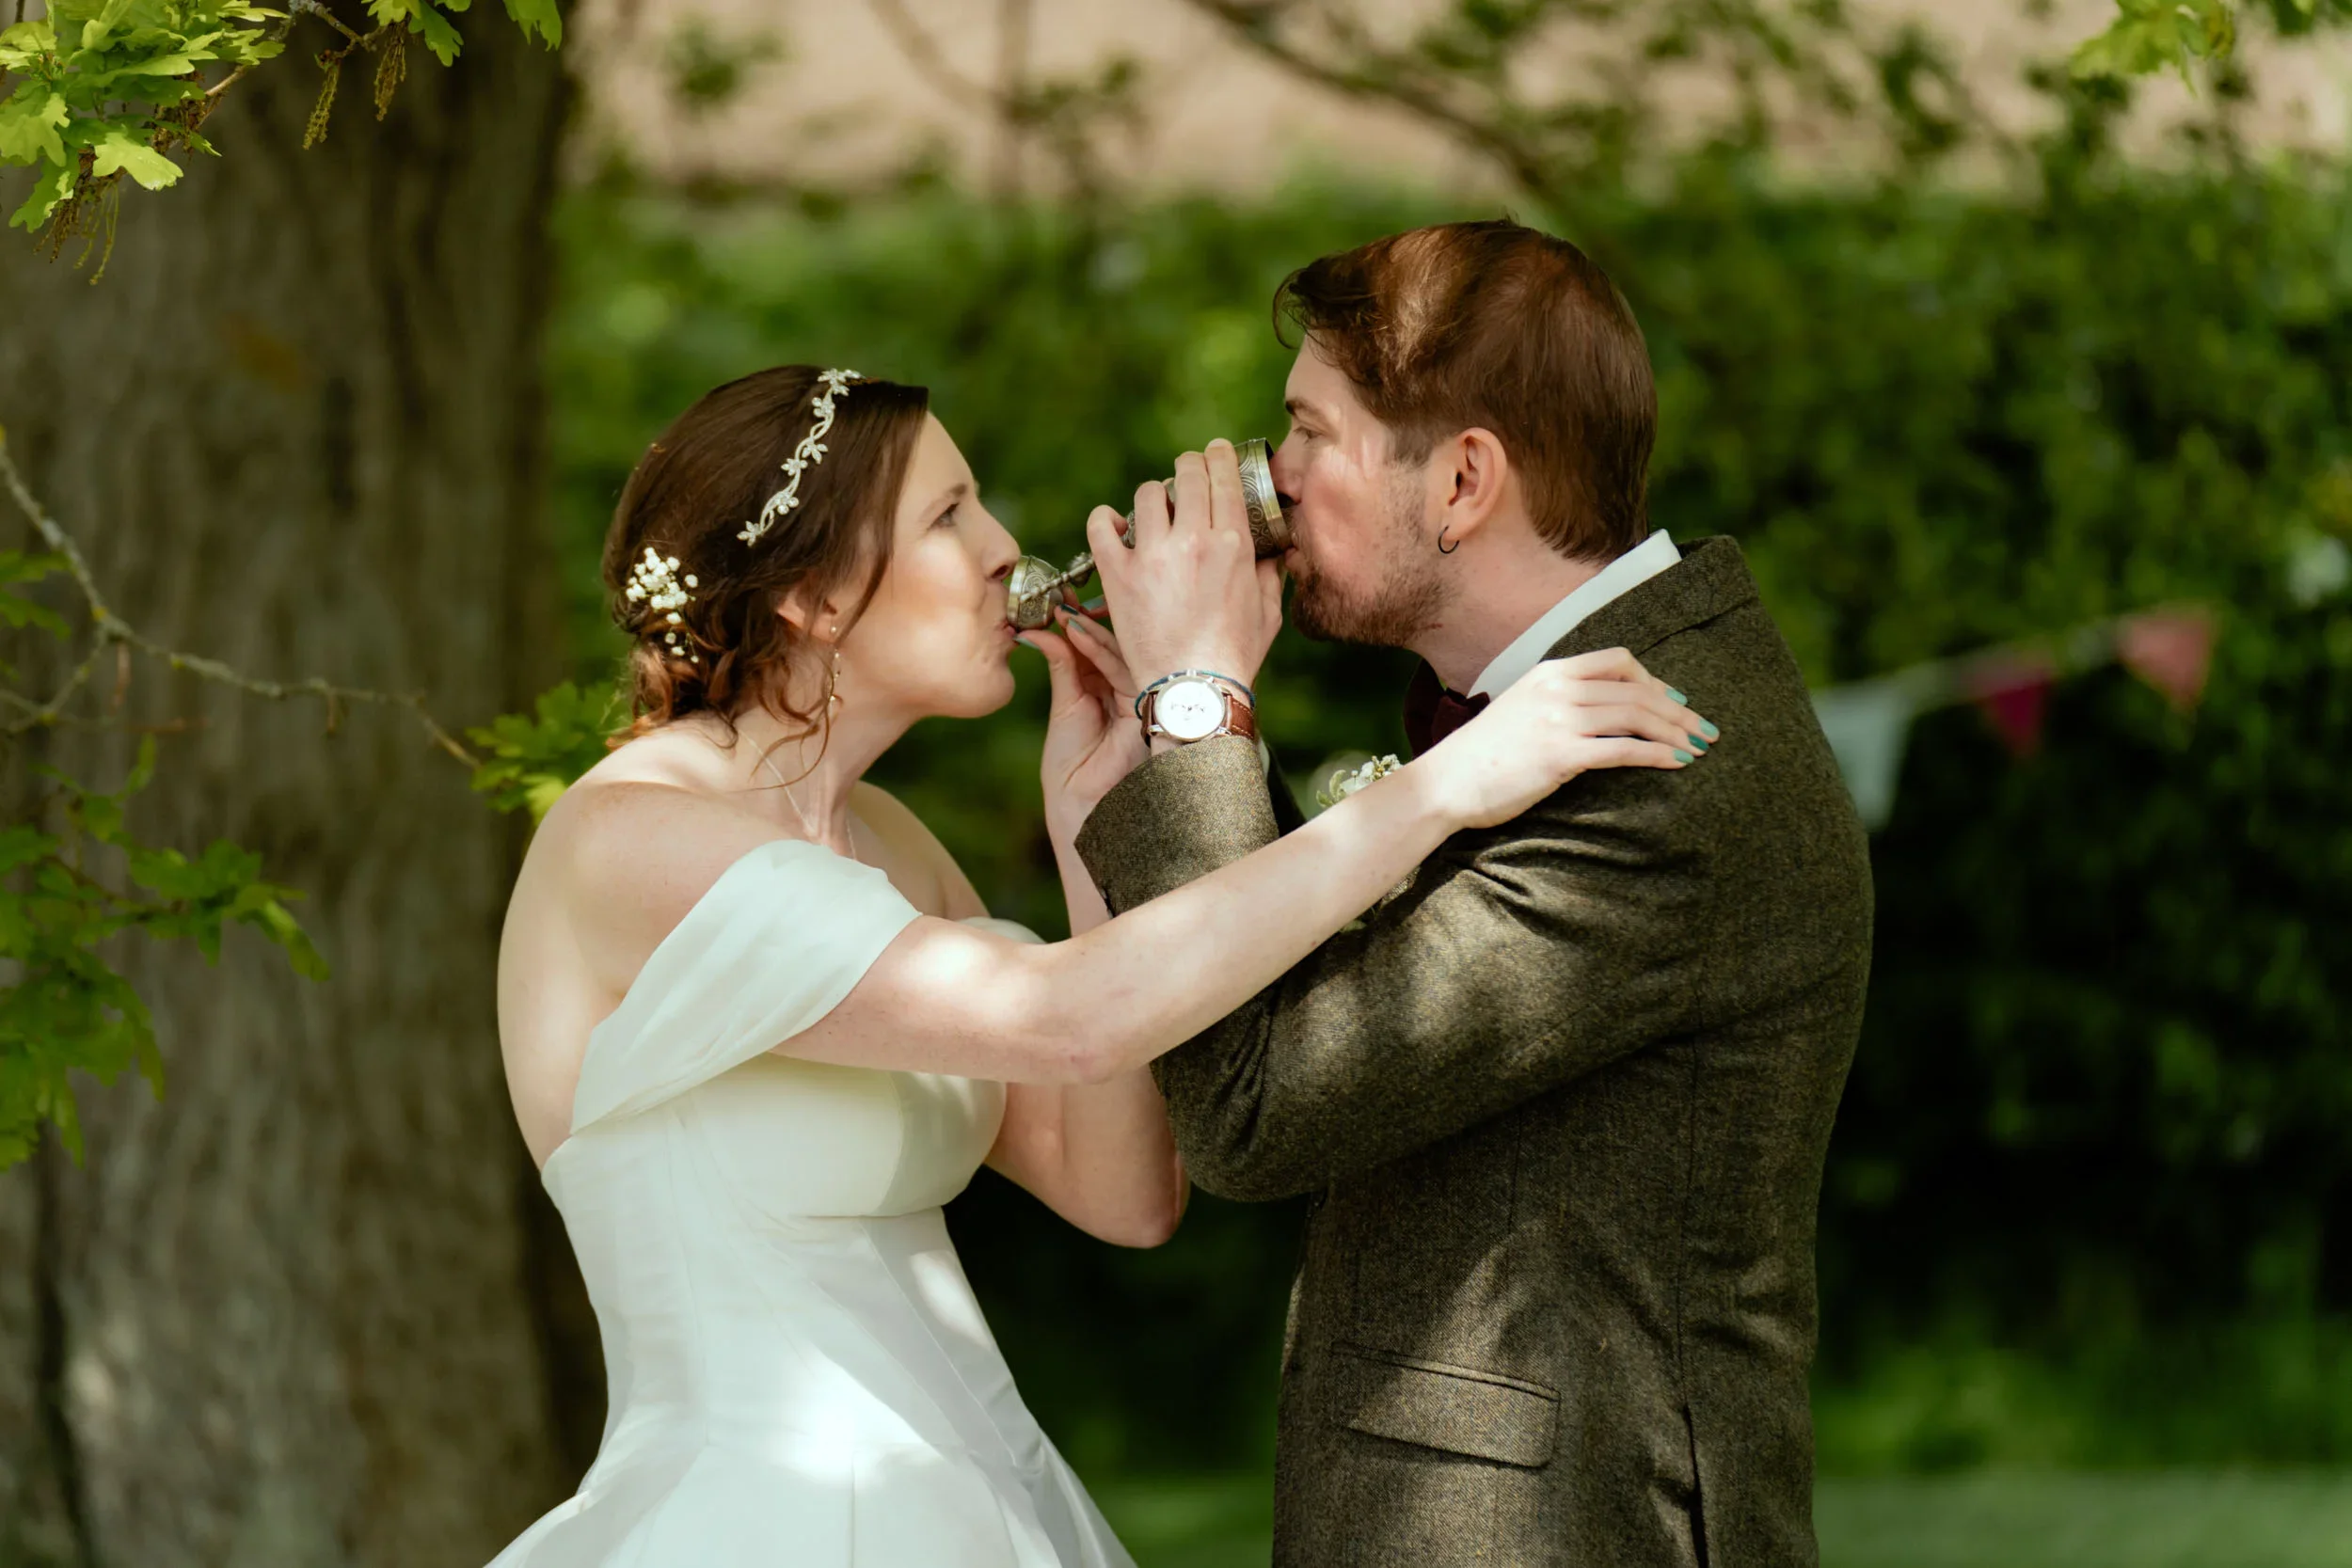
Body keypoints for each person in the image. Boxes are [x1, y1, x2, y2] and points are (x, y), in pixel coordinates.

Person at [485, 363, 1710, 1568]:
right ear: (811, 592)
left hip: (978, 1506)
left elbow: (1121, 1191)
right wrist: (1443, 790)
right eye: (948, 515)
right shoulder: (631, 838)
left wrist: (1088, 833)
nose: (1002, 548)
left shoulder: (889, 847)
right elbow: (1069, 1019)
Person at [1073, 220, 1875, 1567]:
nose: (1271, 479)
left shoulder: (1656, 766)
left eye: (1310, 434)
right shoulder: (1568, 710)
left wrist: (1199, 704)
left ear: (1460, 480)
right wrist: (1154, 752)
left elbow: (1257, 1107)